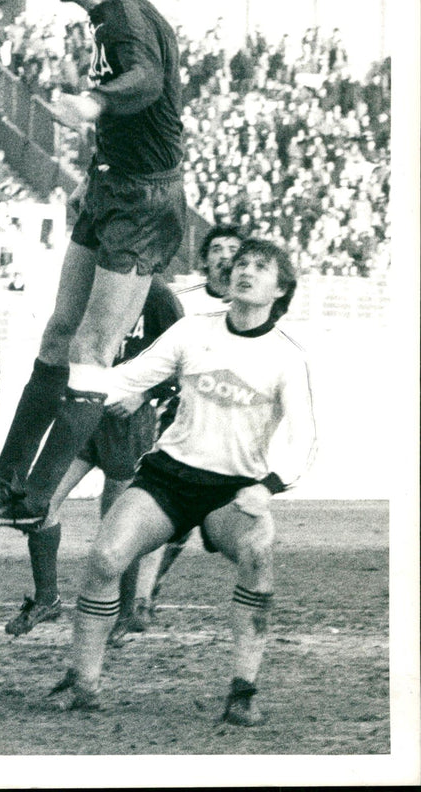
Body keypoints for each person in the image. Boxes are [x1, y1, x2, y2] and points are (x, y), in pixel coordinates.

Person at [0, 0, 186, 529]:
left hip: (145, 205)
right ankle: (10, 474)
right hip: (112, 192)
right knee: (59, 335)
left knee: (94, 350)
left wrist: (96, 102)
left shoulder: (125, 16)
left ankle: (36, 497)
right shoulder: (111, 18)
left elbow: (148, 81)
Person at [49, 238, 316, 725]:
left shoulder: (286, 358)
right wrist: (73, 386)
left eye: (260, 267)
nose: (245, 271)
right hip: (169, 476)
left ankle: (243, 689)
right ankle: (82, 682)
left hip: (232, 490)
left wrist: (270, 486)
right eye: (241, 264)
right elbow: (129, 378)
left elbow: (304, 438)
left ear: (281, 289)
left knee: (259, 553)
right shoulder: (193, 331)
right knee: (105, 556)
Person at [4, 274, 184, 637]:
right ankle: (47, 599)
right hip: (83, 414)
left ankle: (122, 614)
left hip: (127, 423)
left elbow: (183, 357)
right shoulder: (90, 286)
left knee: (119, 526)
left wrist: (145, 394)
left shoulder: (159, 296)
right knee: (41, 503)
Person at [118, 223, 243, 641]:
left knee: (195, 521)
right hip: (177, 415)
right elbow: (160, 356)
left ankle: (145, 591)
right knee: (161, 505)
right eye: (218, 248)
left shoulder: (252, 311)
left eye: (234, 249)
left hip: (227, 426)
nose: (226, 256)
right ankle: (137, 599)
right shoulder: (179, 302)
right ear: (204, 258)